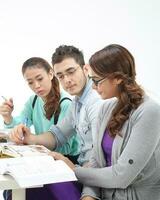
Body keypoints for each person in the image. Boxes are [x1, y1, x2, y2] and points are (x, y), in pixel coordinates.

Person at [50, 44, 160, 200]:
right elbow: (96, 164)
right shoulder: (106, 109)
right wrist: (88, 196)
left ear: (118, 78)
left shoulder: (149, 112)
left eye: (96, 81)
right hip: (104, 194)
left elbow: (121, 176)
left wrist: (73, 170)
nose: (93, 87)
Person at [10, 45, 103, 200]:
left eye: (71, 72)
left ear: (85, 69)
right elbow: (57, 135)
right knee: (23, 189)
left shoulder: (96, 103)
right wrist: (30, 138)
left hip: (90, 178)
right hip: (82, 172)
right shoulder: (77, 103)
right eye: (61, 76)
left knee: (31, 190)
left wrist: (72, 168)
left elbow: (101, 161)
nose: (67, 80)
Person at [0, 57, 80, 200]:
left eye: (39, 79)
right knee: (13, 189)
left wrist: (33, 142)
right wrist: (9, 118)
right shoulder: (34, 100)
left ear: (51, 74)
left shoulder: (66, 104)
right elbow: (21, 123)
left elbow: (65, 146)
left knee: (22, 192)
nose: (36, 86)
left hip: (65, 163)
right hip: (44, 160)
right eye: (30, 82)